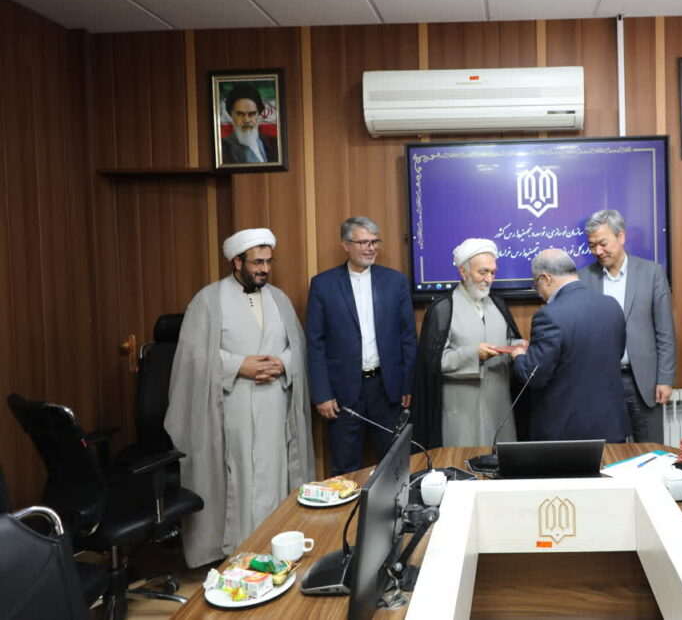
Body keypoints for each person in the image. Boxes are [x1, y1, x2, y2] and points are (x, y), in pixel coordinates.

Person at [164, 228, 314, 568]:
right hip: (231, 407)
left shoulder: (279, 299)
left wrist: (283, 363)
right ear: (237, 261)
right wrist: (238, 365)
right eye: (257, 262)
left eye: (268, 262)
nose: (265, 269)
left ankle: (277, 548)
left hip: (275, 405)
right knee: (241, 479)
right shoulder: (208, 300)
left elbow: (297, 347)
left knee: (274, 478)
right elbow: (194, 359)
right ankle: (240, 553)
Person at [306, 216, 417, 475]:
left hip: (387, 389)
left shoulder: (395, 282)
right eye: (364, 242)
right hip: (343, 393)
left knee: (395, 464)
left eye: (375, 242)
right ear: (346, 245)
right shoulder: (323, 285)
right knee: (345, 467)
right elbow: (315, 343)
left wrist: (406, 384)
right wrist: (322, 394)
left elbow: (408, 338)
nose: (371, 248)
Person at [411, 238, 524, 449]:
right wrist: (474, 354)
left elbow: (507, 340)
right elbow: (434, 362)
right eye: (483, 272)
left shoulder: (497, 304)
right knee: (463, 462)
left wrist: (517, 345)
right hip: (461, 408)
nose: (489, 279)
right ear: (463, 272)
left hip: (499, 404)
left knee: (501, 459)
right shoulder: (443, 309)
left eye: (493, 273)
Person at [511, 249, 630, 442]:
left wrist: (519, 356)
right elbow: (617, 354)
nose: (539, 293)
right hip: (610, 426)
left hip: (566, 433)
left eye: (536, 285)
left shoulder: (548, 315)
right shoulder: (611, 305)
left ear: (545, 278)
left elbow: (534, 376)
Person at [578, 209, 675, 443]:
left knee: (651, 451)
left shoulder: (652, 273)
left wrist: (665, 379)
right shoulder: (583, 278)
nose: (598, 251)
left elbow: (665, 331)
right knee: (609, 452)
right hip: (601, 382)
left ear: (621, 236)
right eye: (592, 246)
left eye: (603, 244)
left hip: (643, 381)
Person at [220, 83, 279, 164]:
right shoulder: (222, 149)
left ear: (258, 115)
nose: (246, 120)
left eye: (252, 114)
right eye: (240, 114)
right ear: (231, 115)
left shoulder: (272, 143)